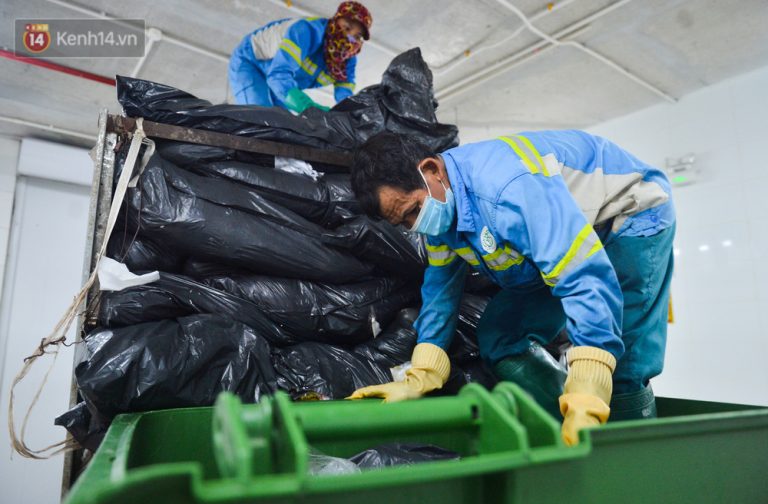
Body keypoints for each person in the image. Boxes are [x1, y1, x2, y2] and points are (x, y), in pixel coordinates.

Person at [348, 131, 675, 446]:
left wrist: (590, 380)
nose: (415, 225)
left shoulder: (506, 189)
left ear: (432, 170)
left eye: (413, 211)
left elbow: (583, 276)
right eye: (403, 223)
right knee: (501, 336)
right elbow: (440, 288)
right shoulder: (442, 209)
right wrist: (423, 371)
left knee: (622, 365)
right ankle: (565, 430)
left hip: (627, 216)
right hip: (560, 245)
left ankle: (626, 461)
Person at [228, 1, 372, 113]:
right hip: (251, 63)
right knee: (262, 118)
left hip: (283, 84)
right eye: (347, 27)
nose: (349, 38)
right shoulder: (305, 31)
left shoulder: (346, 61)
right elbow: (278, 75)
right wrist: (308, 108)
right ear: (336, 19)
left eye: (357, 36)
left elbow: (345, 99)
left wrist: (353, 116)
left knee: (282, 127)